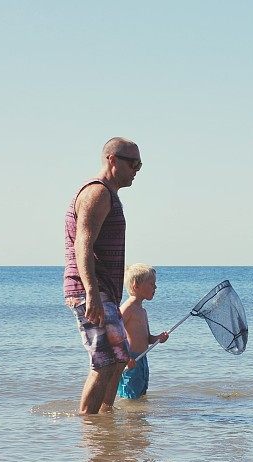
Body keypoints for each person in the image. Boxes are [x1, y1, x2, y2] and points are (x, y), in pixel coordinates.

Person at [64, 137, 142, 415]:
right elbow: (82, 244)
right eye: (132, 163)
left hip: (102, 291)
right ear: (112, 159)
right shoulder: (97, 193)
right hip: (91, 290)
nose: (136, 169)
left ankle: (105, 420)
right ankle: (89, 426)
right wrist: (92, 293)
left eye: (139, 164)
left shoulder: (110, 194)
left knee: (119, 359)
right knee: (105, 363)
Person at [116, 263, 169, 400]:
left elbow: (147, 338)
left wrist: (158, 338)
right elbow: (115, 333)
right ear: (136, 286)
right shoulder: (128, 308)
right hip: (131, 359)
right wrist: (125, 358)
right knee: (129, 397)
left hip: (142, 358)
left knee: (141, 395)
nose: (155, 287)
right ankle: (129, 420)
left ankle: (138, 420)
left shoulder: (142, 311)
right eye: (151, 284)